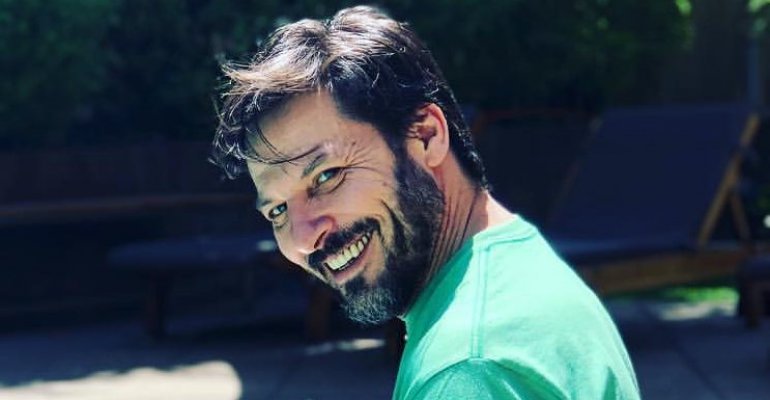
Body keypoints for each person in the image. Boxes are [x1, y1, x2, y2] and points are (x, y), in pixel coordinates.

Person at [211, 5, 640, 399]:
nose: (304, 237)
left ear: (426, 136)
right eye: (278, 211)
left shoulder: (467, 369)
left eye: (326, 176)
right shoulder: (519, 266)